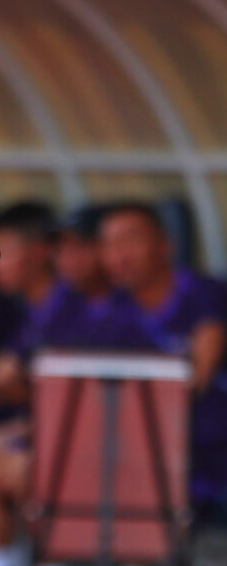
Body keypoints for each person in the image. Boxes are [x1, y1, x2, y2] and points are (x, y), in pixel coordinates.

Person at [99, 203, 227, 523]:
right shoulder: (111, 311)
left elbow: (196, 378)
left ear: (165, 244)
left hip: (211, 453)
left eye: (131, 240)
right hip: (147, 454)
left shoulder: (205, 294)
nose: (121, 255)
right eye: (110, 244)